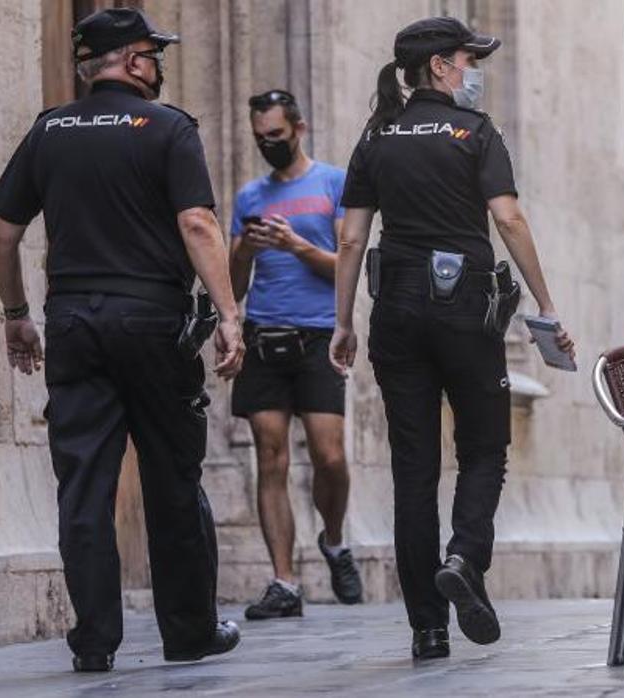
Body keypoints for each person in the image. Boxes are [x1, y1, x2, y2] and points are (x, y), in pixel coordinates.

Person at [0, 8, 244, 673]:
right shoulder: (168, 127)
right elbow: (197, 223)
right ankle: (189, 633)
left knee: (83, 486)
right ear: (132, 61)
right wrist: (230, 314)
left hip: (73, 323)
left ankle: (94, 641)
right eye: (154, 55)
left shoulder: (50, 130)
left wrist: (16, 313)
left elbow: (3, 236)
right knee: (173, 479)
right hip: (152, 322)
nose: (159, 66)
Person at [329, 16, 576, 660]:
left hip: (397, 311)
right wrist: (545, 306)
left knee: (414, 470)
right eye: (470, 59)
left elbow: (352, 236)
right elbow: (509, 218)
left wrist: (341, 322)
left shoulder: (376, 135)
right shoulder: (475, 133)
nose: (476, 71)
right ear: (440, 65)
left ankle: (428, 627)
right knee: (484, 448)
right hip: (465, 304)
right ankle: (465, 557)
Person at [229, 89, 363, 618]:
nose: (269, 145)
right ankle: (284, 582)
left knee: (329, 456)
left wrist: (297, 247)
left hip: (317, 337)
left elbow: (346, 268)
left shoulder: (332, 183)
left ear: (299, 129)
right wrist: (245, 248)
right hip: (266, 334)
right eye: (261, 139)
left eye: (277, 137)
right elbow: (235, 282)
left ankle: (333, 540)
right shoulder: (249, 198)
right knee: (270, 456)